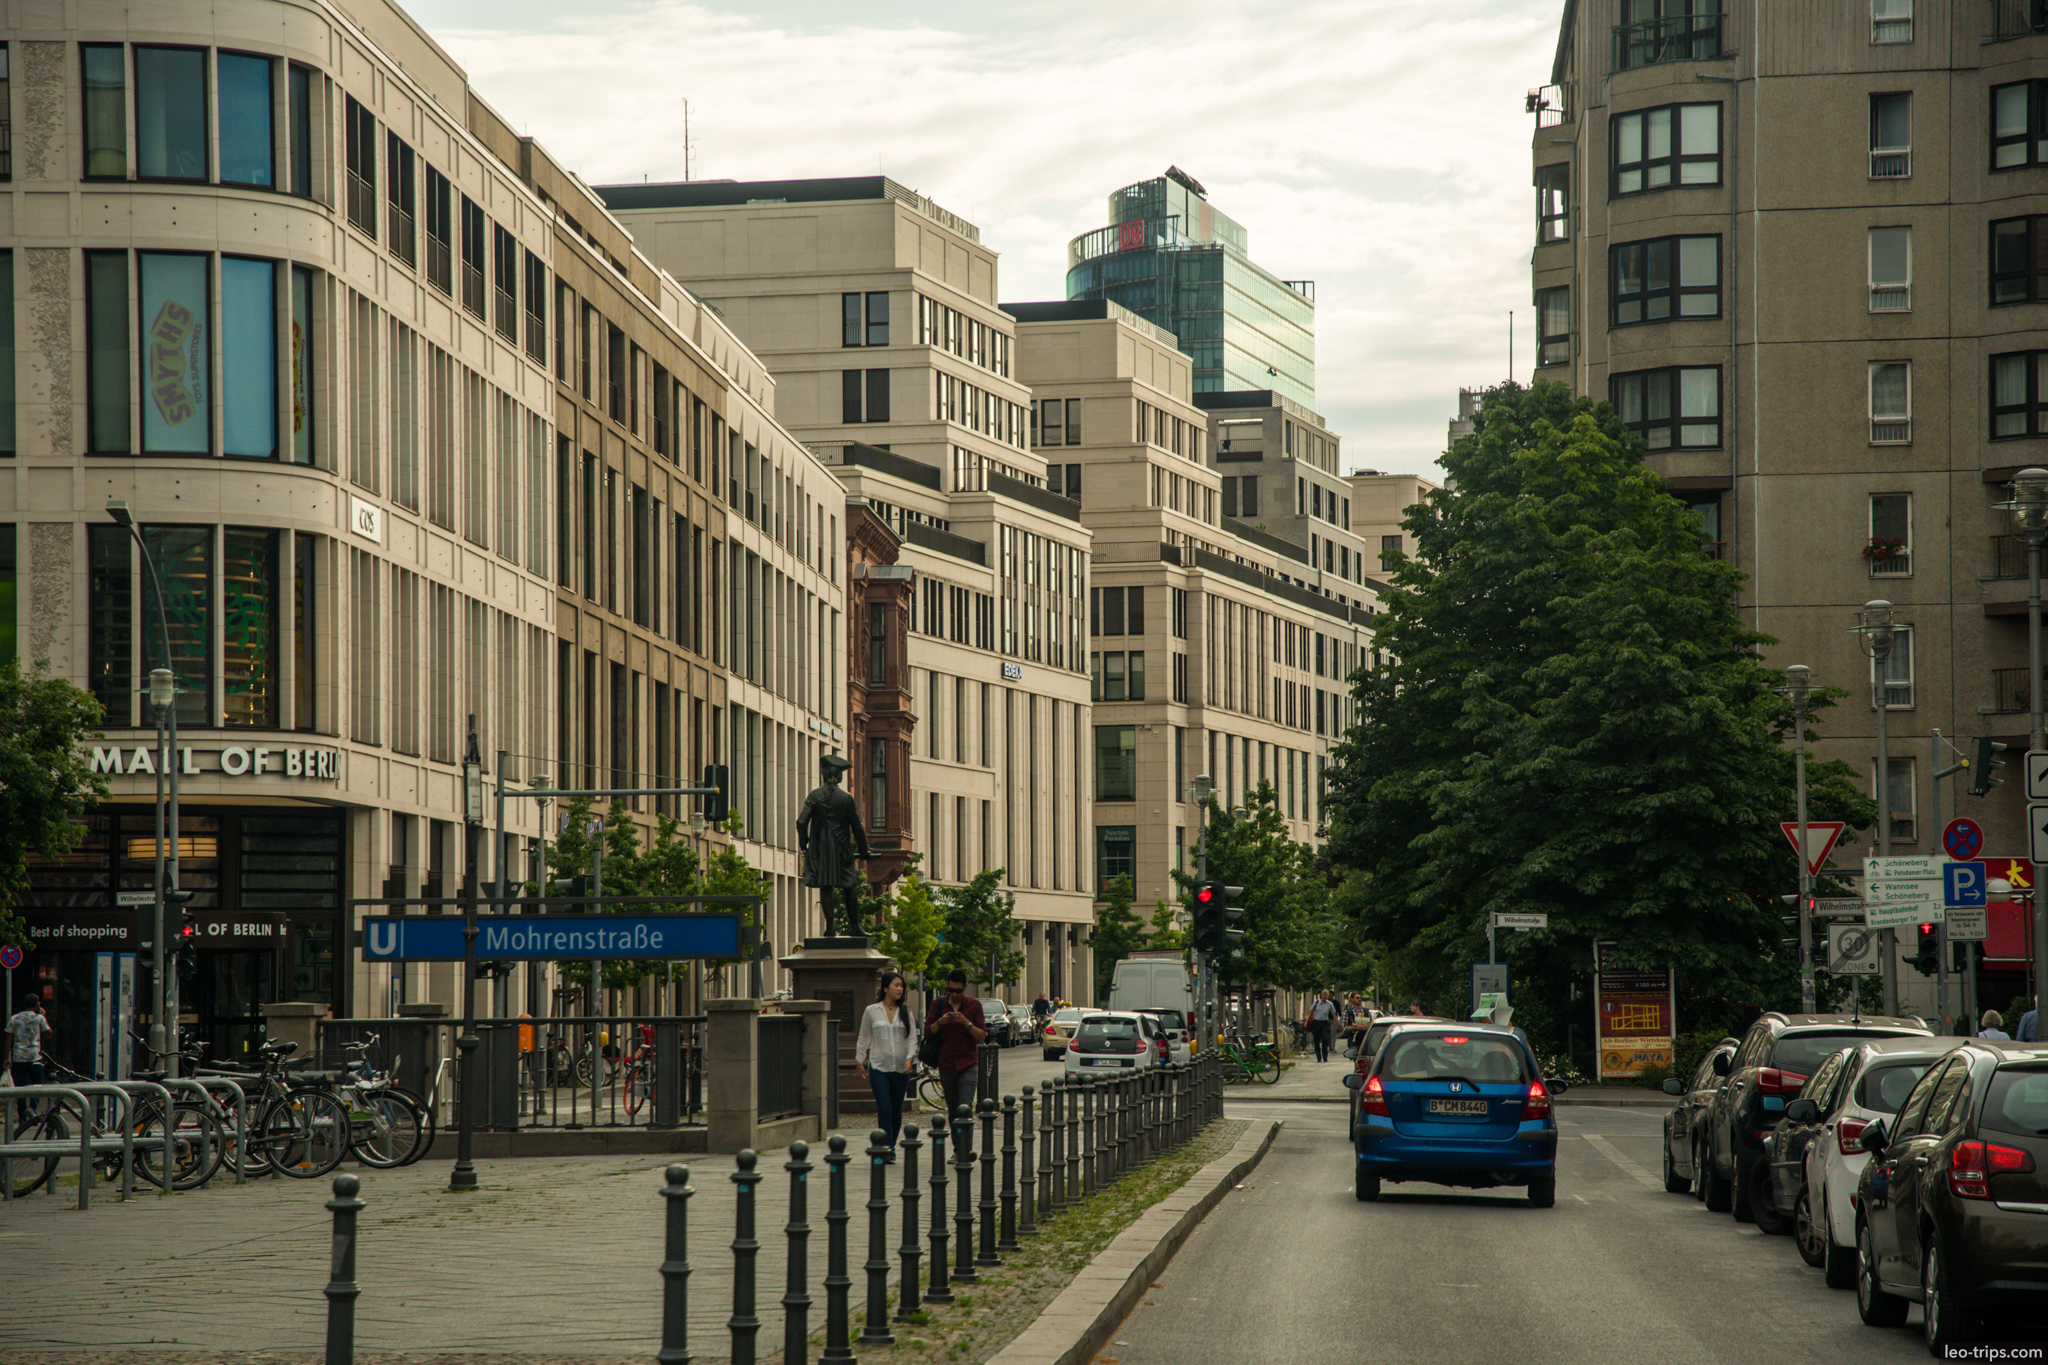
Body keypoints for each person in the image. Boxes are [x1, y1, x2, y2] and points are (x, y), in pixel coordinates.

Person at [856, 971, 916, 1156]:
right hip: (878, 1066)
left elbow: (912, 1038)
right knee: (884, 1107)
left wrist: (910, 1057)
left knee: (896, 1111)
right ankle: (886, 1148)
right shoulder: (872, 1011)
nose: (900, 989)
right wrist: (859, 1060)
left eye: (901, 986)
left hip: (900, 1067)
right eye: (896, 985)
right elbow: (864, 1036)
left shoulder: (906, 1012)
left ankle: (891, 1143)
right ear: (885, 988)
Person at [924, 968, 987, 1119]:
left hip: (968, 1064)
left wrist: (966, 1023)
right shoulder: (938, 1004)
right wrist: (940, 1022)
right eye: (951, 990)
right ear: (947, 985)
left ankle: (966, 1143)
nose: (954, 994)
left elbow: (982, 1035)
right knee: (953, 1111)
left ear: (965, 987)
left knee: (965, 1109)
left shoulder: (974, 1005)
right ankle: (958, 1143)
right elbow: (927, 1032)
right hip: (946, 1065)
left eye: (958, 991)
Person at [5, 993, 50, 1123]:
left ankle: (22, 1117)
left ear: (25, 1004)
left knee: (21, 1088)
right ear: (37, 1005)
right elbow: (48, 1034)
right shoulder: (39, 1018)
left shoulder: (15, 1018)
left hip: (19, 1058)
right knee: (38, 1085)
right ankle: (33, 1107)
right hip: (35, 1057)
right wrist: (44, 1016)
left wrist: (7, 1058)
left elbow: (8, 1039)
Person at [1307, 990, 1338, 1062]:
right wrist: (1307, 1020)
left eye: (1326, 995)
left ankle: (1325, 1056)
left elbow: (1334, 1014)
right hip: (1316, 1022)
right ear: (1321, 995)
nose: (1325, 997)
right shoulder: (1316, 1002)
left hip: (1325, 1023)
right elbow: (1310, 1011)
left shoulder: (1330, 1004)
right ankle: (1318, 1057)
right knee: (1316, 1040)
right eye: (1324, 995)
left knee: (1325, 1039)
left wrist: (1338, 1023)